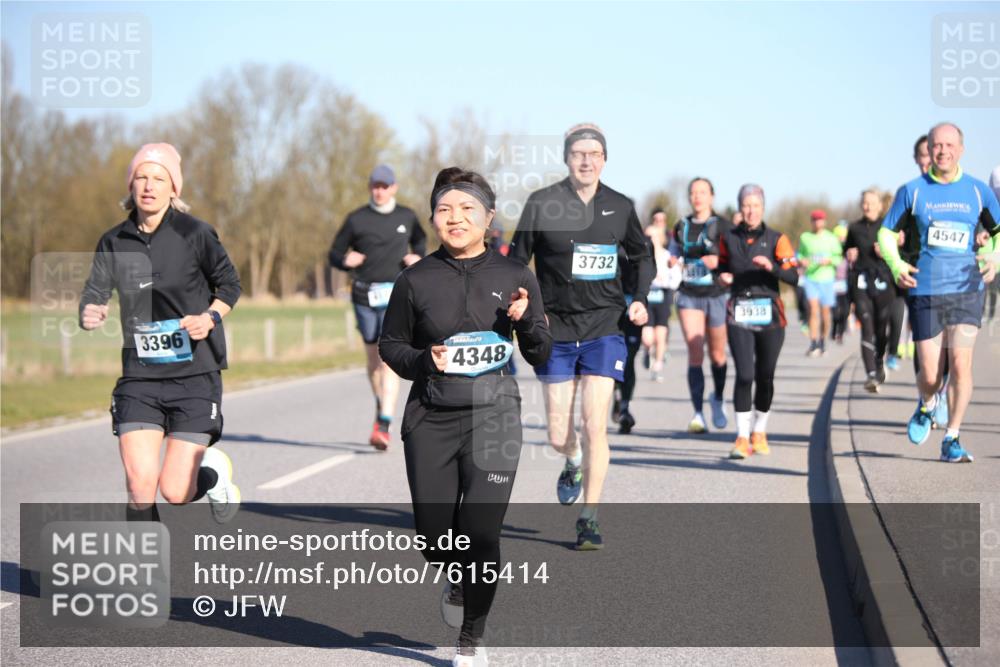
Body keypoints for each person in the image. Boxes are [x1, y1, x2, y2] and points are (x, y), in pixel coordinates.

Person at [379, 167, 551, 666]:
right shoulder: (414, 280)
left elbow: (540, 353)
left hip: (494, 416)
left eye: (467, 209)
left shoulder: (516, 275)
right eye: (445, 209)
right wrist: (422, 360)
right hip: (431, 417)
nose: (455, 218)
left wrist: (527, 323)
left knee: (481, 533)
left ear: (489, 217)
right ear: (433, 217)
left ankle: (471, 638)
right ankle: (455, 576)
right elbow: (391, 345)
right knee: (436, 541)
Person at [79, 143, 241, 524]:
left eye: (159, 178)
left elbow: (229, 285)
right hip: (139, 377)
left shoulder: (196, 233)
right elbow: (95, 291)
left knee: (176, 491)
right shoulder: (113, 241)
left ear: (174, 189)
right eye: (141, 177)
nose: (149, 186)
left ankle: (212, 474)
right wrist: (92, 308)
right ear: (131, 186)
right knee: (139, 486)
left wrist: (210, 318)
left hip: (194, 376)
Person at [509, 123, 652, 550]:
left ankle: (589, 517)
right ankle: (570, 460)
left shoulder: (621, 206)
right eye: (578, 154)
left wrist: (639, 297)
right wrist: (519, 301)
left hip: (604, 328)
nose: (586, 160)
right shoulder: (542, 203)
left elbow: (642, 257)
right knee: (558, 432)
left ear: (604, 160)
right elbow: (517, 261)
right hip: (555, 327)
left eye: (594, 153)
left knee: (595, 425)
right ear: (567, 159)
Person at [878, 122, 999, 462]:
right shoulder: (913, 190)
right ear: (928, 150)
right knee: (931, 374)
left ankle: (953, 436)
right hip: (926, 291)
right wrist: (897, 265)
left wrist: (995, 257)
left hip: (966, 289)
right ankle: (928, 402)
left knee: (961, 364)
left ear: (961, 150)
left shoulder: (978, 191)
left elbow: (999, 229)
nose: (943, 150)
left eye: (949, 145)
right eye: (936, 145)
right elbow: (886, 234)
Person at [329, 165, 426, 450]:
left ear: (394, 187)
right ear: (370, 187)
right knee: (373, 360)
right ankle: (381, 405)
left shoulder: (406, 216)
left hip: (396, 295)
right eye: (375, 185)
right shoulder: (356, 219)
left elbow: (420, 240)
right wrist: (345, 261)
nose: (379, 191)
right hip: (363, 296)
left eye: (385, 186)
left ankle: (384, 422)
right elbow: (334, 252)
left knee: (387, 359)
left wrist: (417, 256)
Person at [717, 184, 799, 459]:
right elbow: (721, 267)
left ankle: (759, 431)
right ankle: (741, 437)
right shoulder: (727, 238)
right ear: (740, 208)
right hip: (738, 311)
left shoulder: (777, 238)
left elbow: (793, 277)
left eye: (756, 205)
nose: (751, 210)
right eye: (746, 205)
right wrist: (722, 276)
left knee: (764, 376)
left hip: (771, 316)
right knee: (744, 374)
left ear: (763, 208)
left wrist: (772, 268)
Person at [667, 177, 731, 433]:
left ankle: (717, 397)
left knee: (717, 354)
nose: (698, 197)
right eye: (694, 192)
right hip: (689, 294)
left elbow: (734, 256)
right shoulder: (681, 225)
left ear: (712, 197)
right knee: (695, 351)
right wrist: (672, 259)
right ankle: (697, 413)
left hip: (715, 293)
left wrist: (721, 263)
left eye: (702, 192)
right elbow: (673, 250)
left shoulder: (722, 225)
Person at [845, 189, 895, 392]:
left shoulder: (888, 225)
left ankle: (879, 363)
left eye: (871, 203)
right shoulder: (854, 228)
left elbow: (898, 253)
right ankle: (871, 374)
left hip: (883, 281)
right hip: (861, 281)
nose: (867, 206)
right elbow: (846, 251)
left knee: (881, 328)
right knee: (866, 324)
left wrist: (885, 253)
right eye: (864, 203)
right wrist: (849, 253)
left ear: (880, 206)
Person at [797, 209, 843, 357]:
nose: (818, 222)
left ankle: (823, 341)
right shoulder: (805, 237)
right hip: (811, 279)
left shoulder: (831, 238)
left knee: (825, 313)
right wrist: (801, 260)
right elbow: (800, 254)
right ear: (811, 222)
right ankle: (813, 342)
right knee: (813, 310)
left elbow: (838, 258)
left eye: (820, 220)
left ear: (824, 221)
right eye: (815, 220)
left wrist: (829, 260)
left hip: (827, 279)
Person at [642, 214, 679, 382]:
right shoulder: (642, 256)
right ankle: (647, 351)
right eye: (648, 237)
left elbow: (676, 277)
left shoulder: (666, 255)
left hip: (663, 296)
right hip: (648, 297)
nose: (651, 239)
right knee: (648, 337)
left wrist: (666, 281)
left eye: (654, 236)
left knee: (661, 335)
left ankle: (657, 366)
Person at [830, 220, 851, 344]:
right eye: (839, 237)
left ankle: (841, 333)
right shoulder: (832, 251)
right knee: (835, 312)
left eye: (843, 237)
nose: (841, 240)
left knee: (845, 312)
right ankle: (834, 330)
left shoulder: (850, 253)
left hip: (846, 285)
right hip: (833, 284)